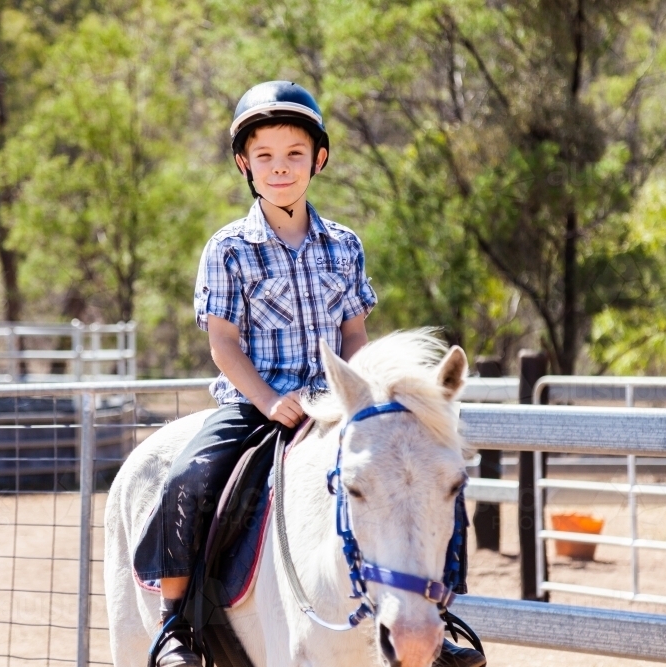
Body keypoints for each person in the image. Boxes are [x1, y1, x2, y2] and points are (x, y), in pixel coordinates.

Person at [134, 81, 484, 667]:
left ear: (317, 160)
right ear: (245, 164)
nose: (280, 169)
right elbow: (224, 345)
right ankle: (177, 626)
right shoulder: (228, 248)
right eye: (265, 157)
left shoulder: (344, 246)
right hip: (255, 404)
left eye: (294, 154)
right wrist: (270, 401)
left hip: (338, 402)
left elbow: (354, 335)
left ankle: (434, 615)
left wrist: (360, 392)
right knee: (188, 481)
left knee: (431, 478)